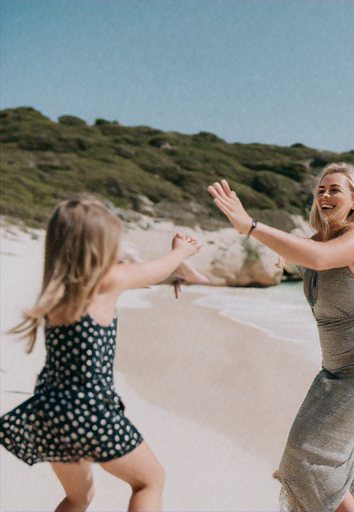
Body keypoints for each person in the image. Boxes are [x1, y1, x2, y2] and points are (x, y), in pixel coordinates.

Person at [208, 162, 354, 512]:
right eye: (321, 190)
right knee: (342, 461)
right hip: (334, 370)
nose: (325, 195)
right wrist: (282, 257)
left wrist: (250, 226)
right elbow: (306, 252)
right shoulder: (317, 240)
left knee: (305, 456)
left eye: (335, 190)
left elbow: (318, 258)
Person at [0, 194, 203, 512]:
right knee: (149, 481)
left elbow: (145, 278)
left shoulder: (59, 289)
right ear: (99, 247)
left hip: (50, 413)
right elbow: (149, 271)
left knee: (78, 498)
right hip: (92, 413)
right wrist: (181, 251)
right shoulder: (109, 280)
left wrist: (177, 272)